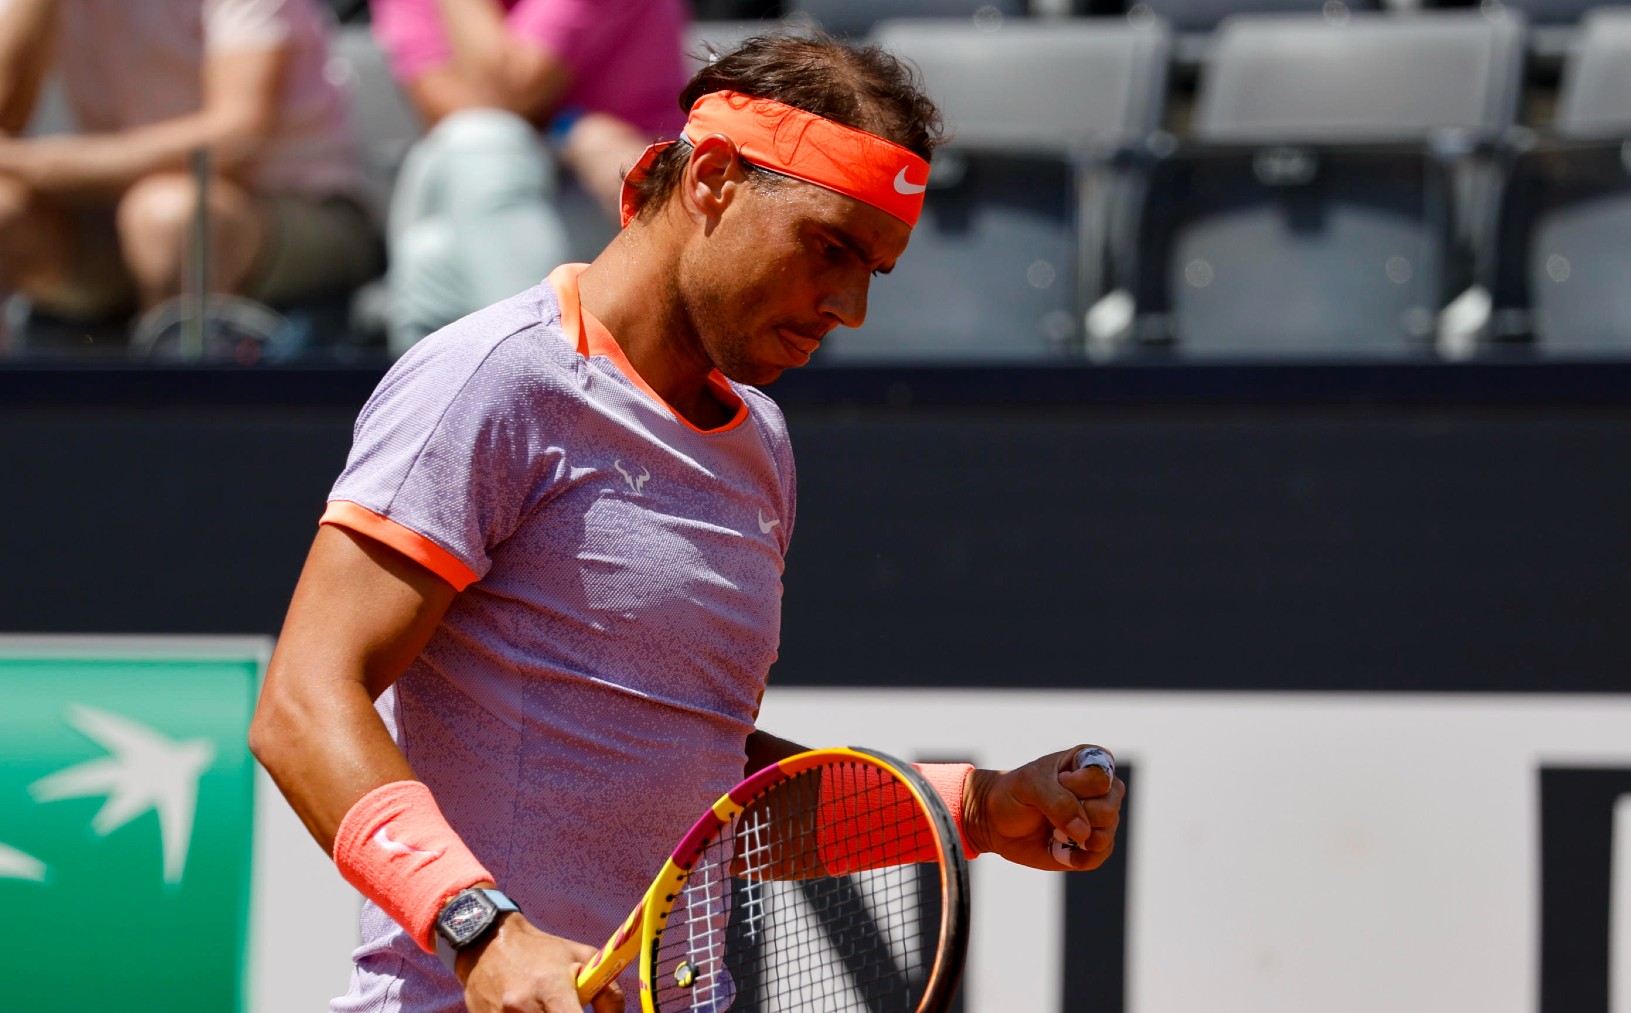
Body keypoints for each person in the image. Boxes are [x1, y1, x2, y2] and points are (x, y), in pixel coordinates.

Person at [248, 33, 1126, 1013]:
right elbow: (301, 701)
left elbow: (711, 799)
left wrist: (979, 805)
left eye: (876, 269)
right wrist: (484, 934)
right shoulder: (493, 379)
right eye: (830, 246)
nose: (850, 307)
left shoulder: (762, 447)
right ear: (711, 176)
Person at [0, 0, 380, 334]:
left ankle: (178, 410)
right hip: (122, 212)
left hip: (302, 206)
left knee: (168, 220)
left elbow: (233, 139)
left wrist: (44, 165)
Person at [370, 0, 690, 353]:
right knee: (475, 146)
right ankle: (544, 374)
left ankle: (537, 372)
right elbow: (448, 109)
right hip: (499, 180)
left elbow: (510, 87)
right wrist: (567, 128)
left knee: (428, 256)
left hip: (626, 199)